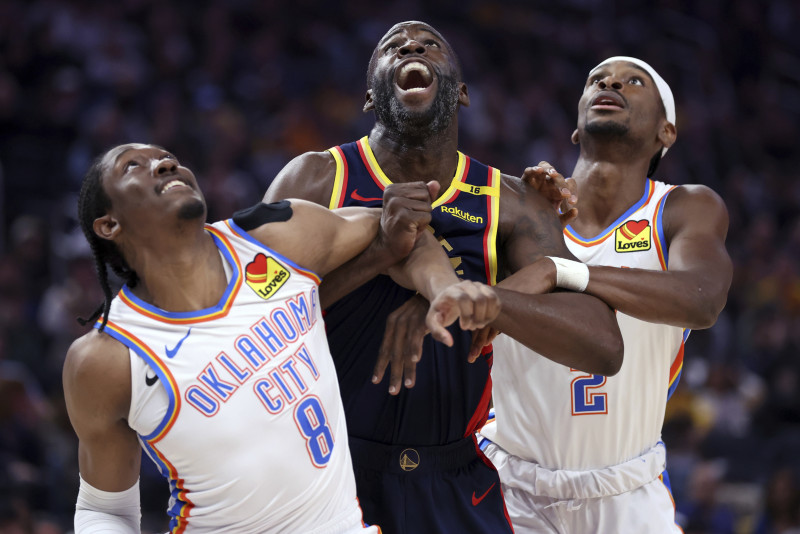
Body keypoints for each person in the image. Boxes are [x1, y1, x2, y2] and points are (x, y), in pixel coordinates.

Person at [263, 21, 624, 534]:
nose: (412, 47)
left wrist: (480, 300)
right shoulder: (318, 177)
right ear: (371, 97)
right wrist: (379, 257)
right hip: (328, 472)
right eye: (394, 47)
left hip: (454, 479)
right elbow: (250, 325)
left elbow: (603, 345)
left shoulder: (513, 201)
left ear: (461, 92)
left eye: (430, 45)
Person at [62, 143, 502, 533]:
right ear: (108, 225)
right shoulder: (109, 357)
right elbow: (104, 510)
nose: (163, 164)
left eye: (167, 158)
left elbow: (402, 231)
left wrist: (444, 288)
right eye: (133, 166)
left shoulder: (276, 238)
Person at [479, 56, 733, 533]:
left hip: (626, 492)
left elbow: (702, 299)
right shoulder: (519, 206)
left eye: (633, 81)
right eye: (597, 79)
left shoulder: (682, 207)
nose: (611, 82)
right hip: (507, 483)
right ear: (576, 127)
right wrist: (533, 225)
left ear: (667, 131)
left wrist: (562, 271)